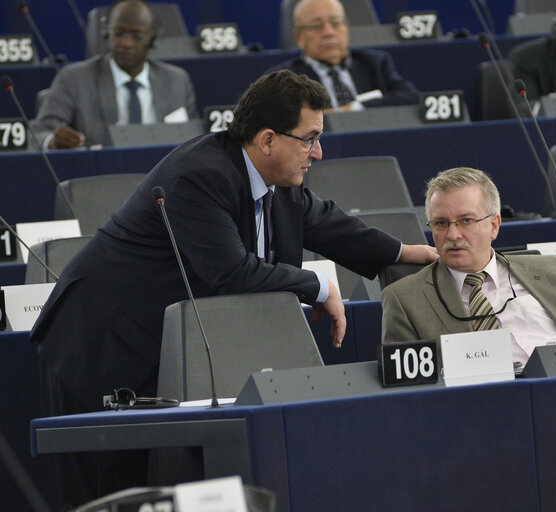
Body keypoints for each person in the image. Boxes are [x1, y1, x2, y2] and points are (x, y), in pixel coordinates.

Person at [30, 69, 437, 508]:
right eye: (309, 138)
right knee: (110, 498)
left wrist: (400, 251)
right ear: (267, 140)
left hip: (161, 354)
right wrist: (317, 284)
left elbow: (324, 221)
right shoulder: (199, 175)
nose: (318, 153)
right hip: (98, 346)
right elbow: (233, 273)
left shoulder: (278, 181)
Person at [381, 167, 556, 364]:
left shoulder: (551, 269)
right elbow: (410, 390)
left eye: (466, 221)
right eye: (440, 223)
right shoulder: (404, 299)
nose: (452, 234)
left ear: (494, 225)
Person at [30, 0, 197, 149]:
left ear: (152, 40)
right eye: (119, 34)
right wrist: (52, 141)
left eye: (137, 37)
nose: (126, 43)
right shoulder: (74, 78)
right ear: (106, 33)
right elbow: (38, 134)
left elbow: (192, 140)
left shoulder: (177, 81)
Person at [266, 0, 419, 110]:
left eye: (335, 23)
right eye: (317, 26)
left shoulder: (374, 62)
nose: (328, 32)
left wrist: (354, 108)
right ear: (299, 37)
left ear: (346, 28)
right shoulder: (285, 78)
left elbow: (411, 97)